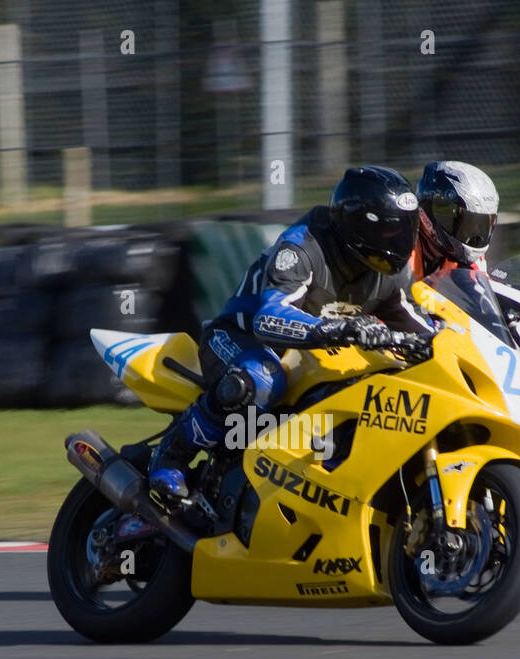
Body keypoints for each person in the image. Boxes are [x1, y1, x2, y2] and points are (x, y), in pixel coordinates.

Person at [148, 165, 432, 500]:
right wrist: (341, 328)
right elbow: (269, 317)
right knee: (261, 380)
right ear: (359, 224)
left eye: (403, 230)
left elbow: (420, 325)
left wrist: (447, 342)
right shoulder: (303, 247)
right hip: (237, 339)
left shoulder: (390, 275)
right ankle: (172, 453)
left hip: (307, 359)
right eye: (389, 231)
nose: (398, 241)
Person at [411, 160, 500, 279]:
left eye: (482, 224)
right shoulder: (403, 251)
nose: (474, 235)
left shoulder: (469, 257)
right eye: (469, 223)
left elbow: (483, 288)